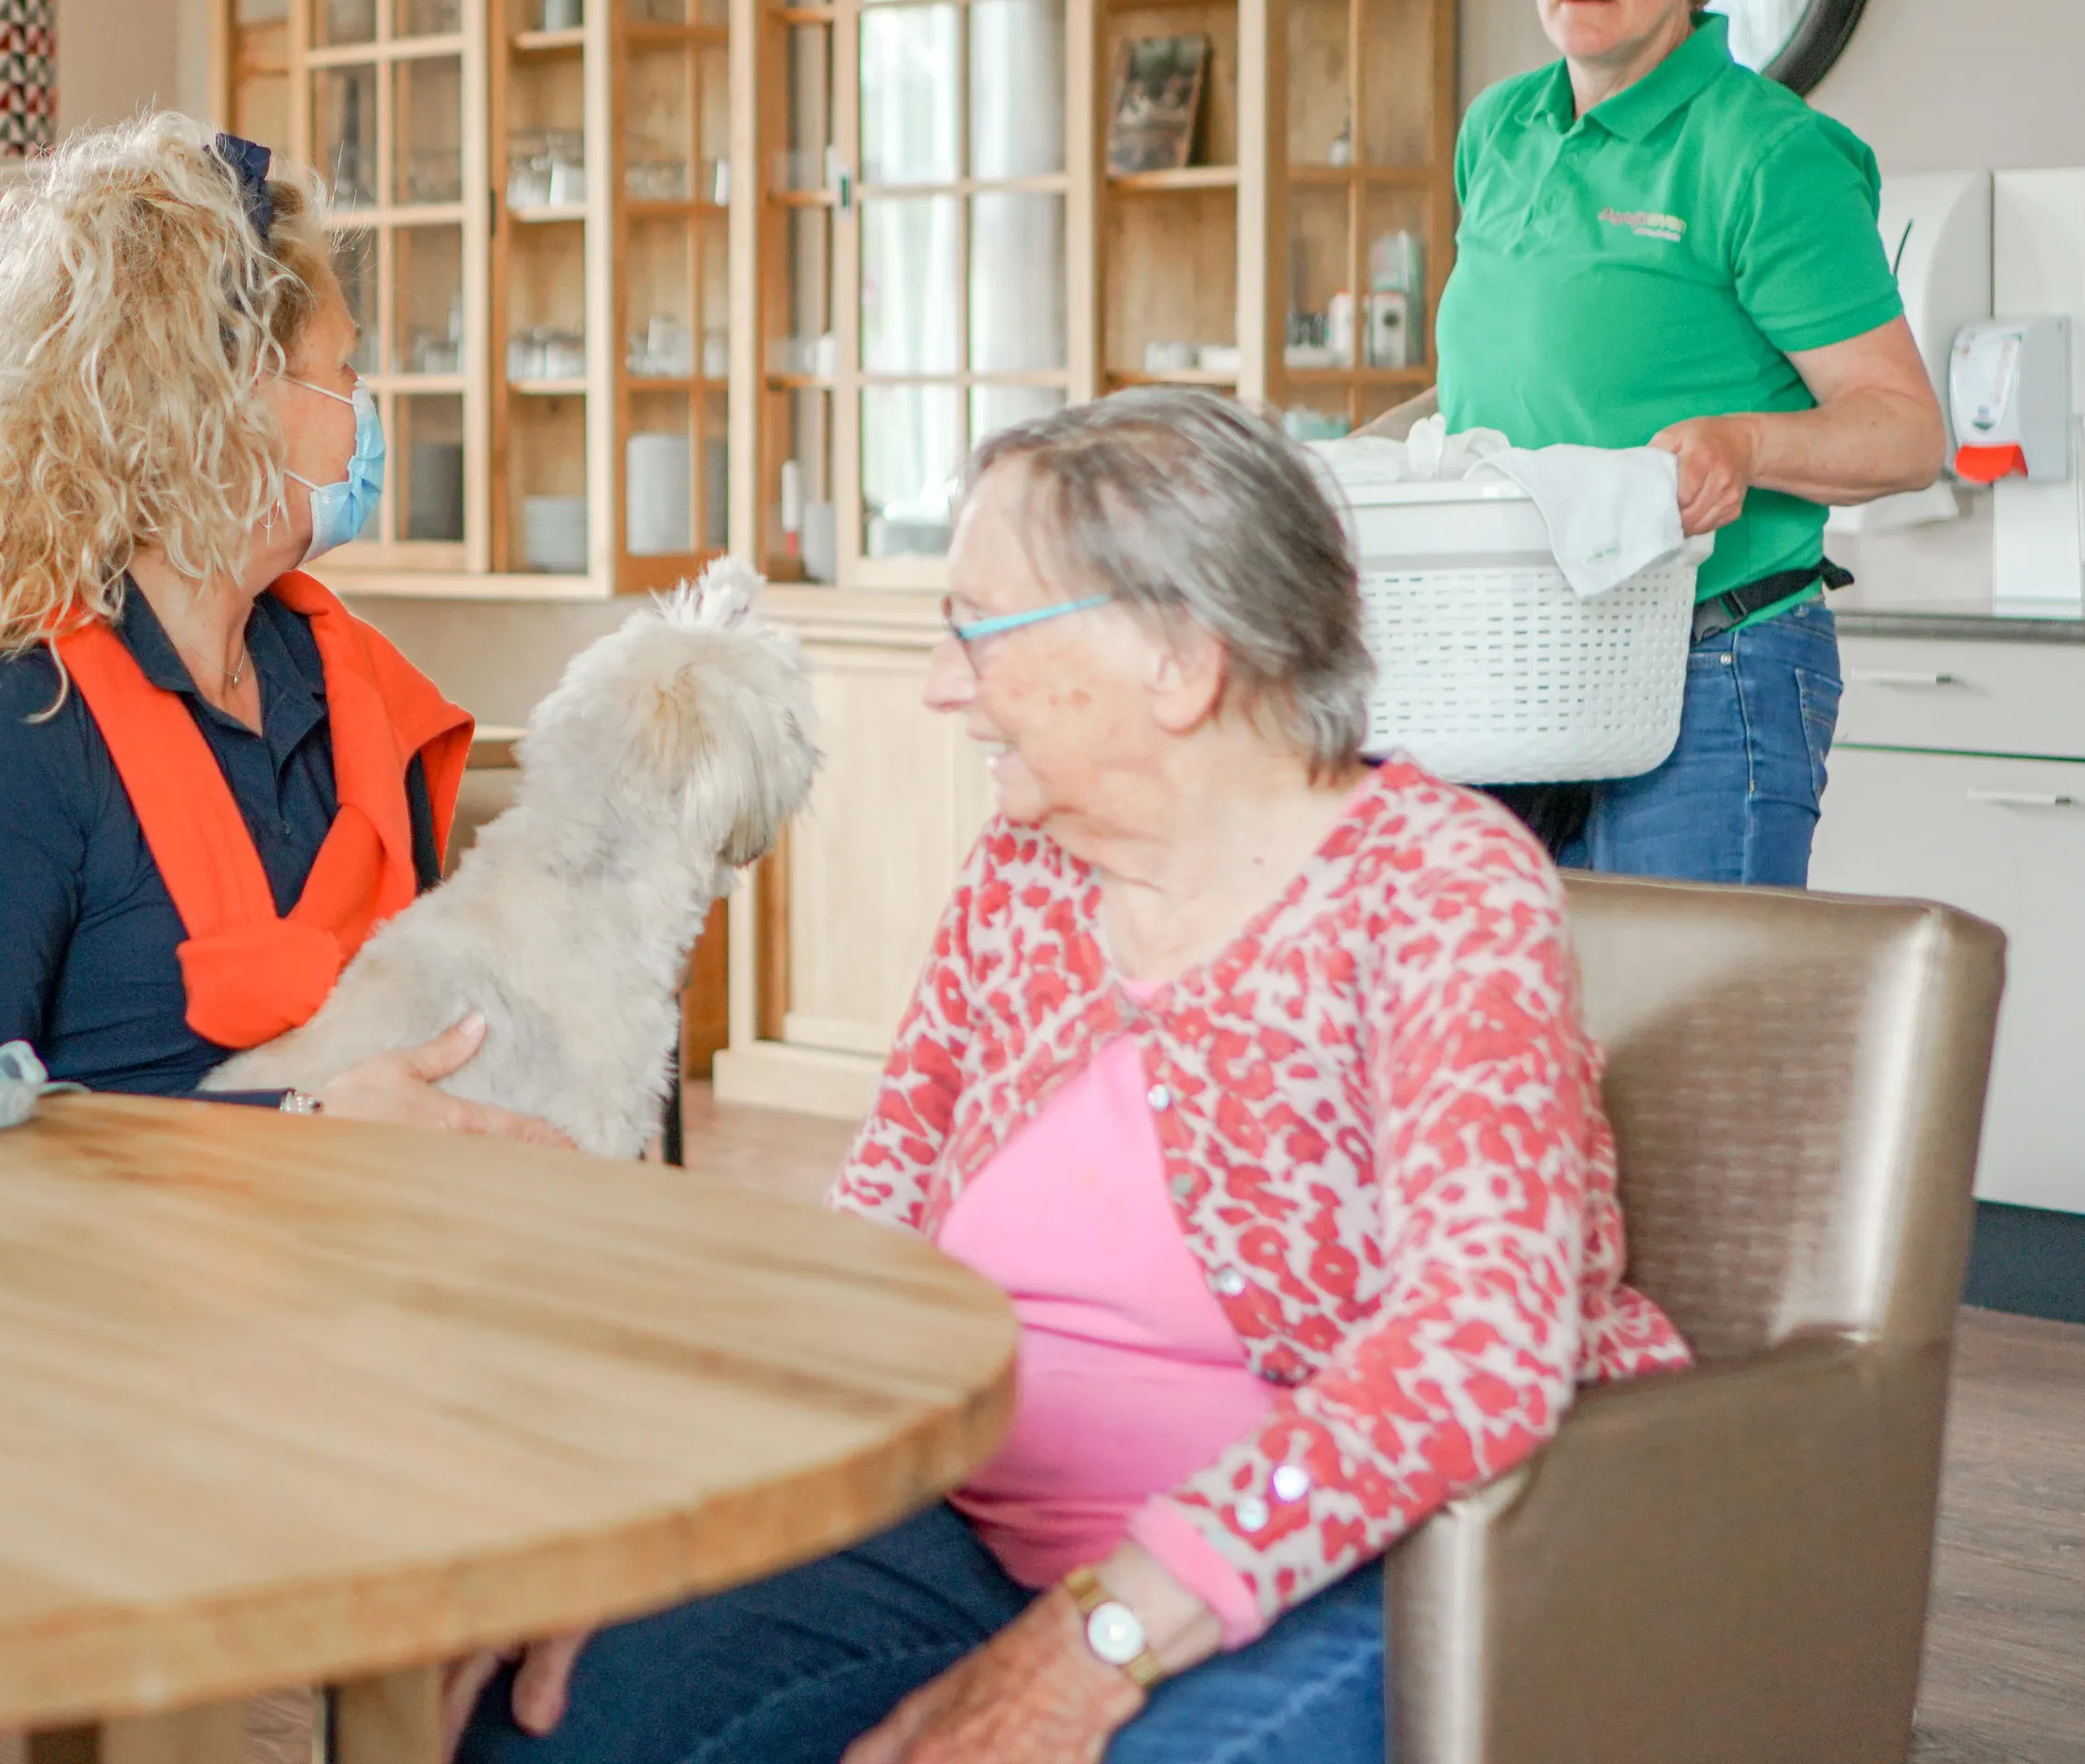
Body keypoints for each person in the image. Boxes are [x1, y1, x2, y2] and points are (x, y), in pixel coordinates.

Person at [452, 390, 1685, 1764]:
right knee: (552, 1714)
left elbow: (1474, 1345)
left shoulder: (1441, 889)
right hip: (957, 1533)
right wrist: (671, 1499)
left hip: (1350, 1574)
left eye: (978, 628)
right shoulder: (1025, 880)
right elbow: (877, 1226)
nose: (939, 683)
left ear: (1178, 661)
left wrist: (1101, 1631)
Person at [0, 112, 556, 1139]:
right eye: (344, 370)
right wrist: (304, 1116)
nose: (365, 407)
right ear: (224, 400)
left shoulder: (339, 686)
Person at [1424, 0, 1946, 885]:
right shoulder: (1498, 131)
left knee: (1691, 1048)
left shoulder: (1768, 154)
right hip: (1510, 665)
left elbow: (1903, 431)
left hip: (1712, 665)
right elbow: (1504, 385)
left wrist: (1748, 445)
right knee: (1501, 1035)